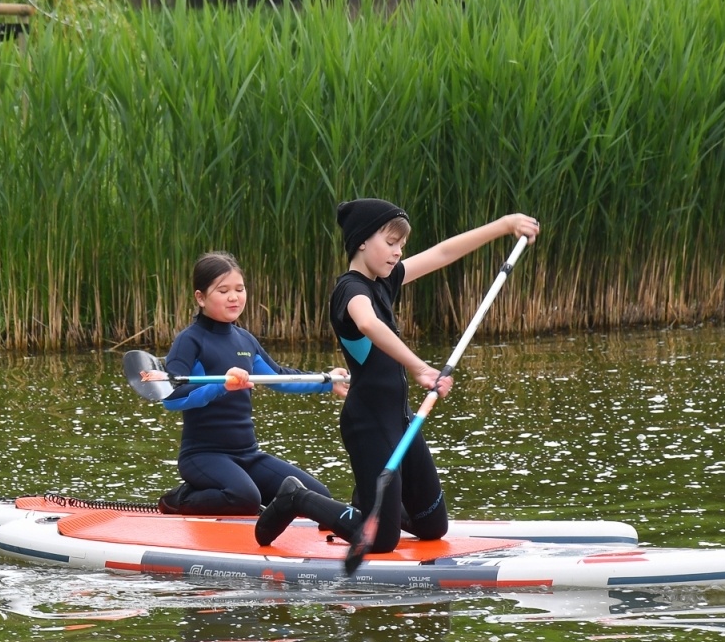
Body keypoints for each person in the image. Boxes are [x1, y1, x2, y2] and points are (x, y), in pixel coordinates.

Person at [256, 200, 539, 566]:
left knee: (433, 525)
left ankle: (370, 504)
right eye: (390, 242)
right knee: (383, 541)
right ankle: (297, 497)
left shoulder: (385, 281)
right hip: (368, 423)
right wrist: (420, 368)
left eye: (401, 245)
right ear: (361, 241)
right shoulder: (350, 289)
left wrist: (502, 225)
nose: (398, 251)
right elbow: (369, 324)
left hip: (400, 419)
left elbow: (443, 252)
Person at [153, 251, 350, 516]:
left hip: (248, 454)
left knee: (317, 498)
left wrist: (328, 382)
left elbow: (278, 377)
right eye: (223, 291)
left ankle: (266, 518)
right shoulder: (189, 341)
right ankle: (178, 499)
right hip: (202, 456)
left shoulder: (245, 340)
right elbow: (172, 398)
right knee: (244, 497)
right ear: (200, 298)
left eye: (239, 289)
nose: (234, 297)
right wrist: (223, 385)